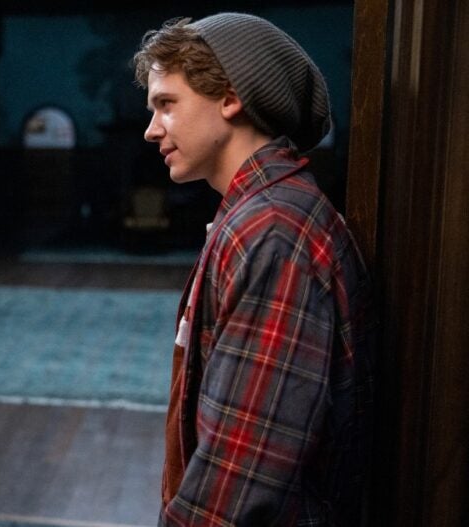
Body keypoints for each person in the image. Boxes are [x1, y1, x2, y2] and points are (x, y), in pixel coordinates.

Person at [132, 13, 375, 525]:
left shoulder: (273, 230)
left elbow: (242, 471)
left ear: (230, 98)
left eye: (166, 104)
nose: (152, 130)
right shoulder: (258, 214)